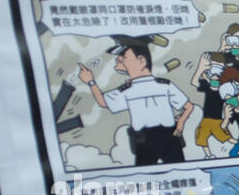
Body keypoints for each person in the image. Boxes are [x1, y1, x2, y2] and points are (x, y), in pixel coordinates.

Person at [79, 36, 194, 166]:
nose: (118, 59)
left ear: (141, 61)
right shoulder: (127, 89)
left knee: (180, 171)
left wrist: (180, 123)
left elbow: (188, 106)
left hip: (169, 136)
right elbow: (104, 103)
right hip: (144, 139)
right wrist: (91, 81)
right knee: (145, 176)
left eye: (124, 56)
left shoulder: (164, 85)